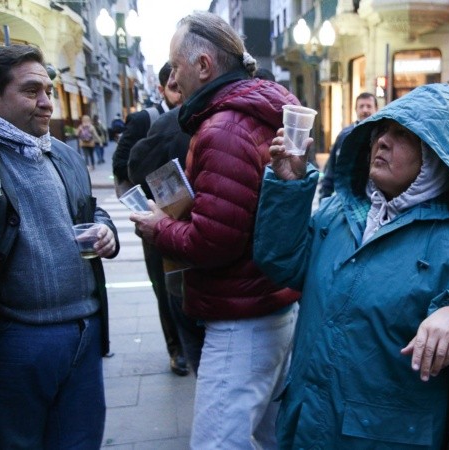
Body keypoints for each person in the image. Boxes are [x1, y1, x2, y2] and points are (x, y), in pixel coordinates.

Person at [253, 83, 449, 449]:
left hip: (389, 438)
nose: (382, 141)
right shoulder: (338, 212)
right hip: (307, 427)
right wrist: (289, 188)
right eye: (381, 130)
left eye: (402, 135)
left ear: (434, 154)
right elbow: (280, 264)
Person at [130, 12, 300, 449]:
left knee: (216, 442)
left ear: (204, 66)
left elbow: (213, 242)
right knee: (272, 434)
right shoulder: (257, 112)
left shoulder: (224, 127)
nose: (171, 76)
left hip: (240, 316)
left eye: (175, 65)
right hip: (267, 304)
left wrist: (160, 227)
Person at [0, 44, 119, 448]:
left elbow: (88, 212)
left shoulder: (61, 153)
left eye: (49, 90)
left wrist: (104, 230)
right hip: (11, 341)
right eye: (31, 91)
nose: (46, 103)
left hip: (83, 332)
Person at [127, 70, 204, 376]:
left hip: (181, 250)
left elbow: (136, 166)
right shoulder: (246, 115)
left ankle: (186, 357)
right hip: (239, 268)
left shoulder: (172, 121)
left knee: (200, 353)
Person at [117, 62, 189, 377]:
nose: (179, 96)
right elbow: (123, 163)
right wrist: (150, 193)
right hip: (156, 214)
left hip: (187, 217)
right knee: (164, 286)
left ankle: (186, 341)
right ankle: (176, 349)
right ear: (163, 88)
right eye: (174, 89)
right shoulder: (147, 119)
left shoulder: (196, 117)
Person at [112, 63, 178, 197]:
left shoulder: (195, 116)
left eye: (183, 86)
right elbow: (120, 164)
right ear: (161, 90)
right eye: (174, 88)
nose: (181, 94)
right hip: (154, 205)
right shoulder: (143, 119)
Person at [318, 92, 378, 199]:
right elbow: (331, 169)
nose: (365, 110)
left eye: (369, 106)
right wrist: (324, 198)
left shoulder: (381, 136)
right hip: (344, 198)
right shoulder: (344, 136)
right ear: (355, 110)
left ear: (376, 109)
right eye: (361, 106)